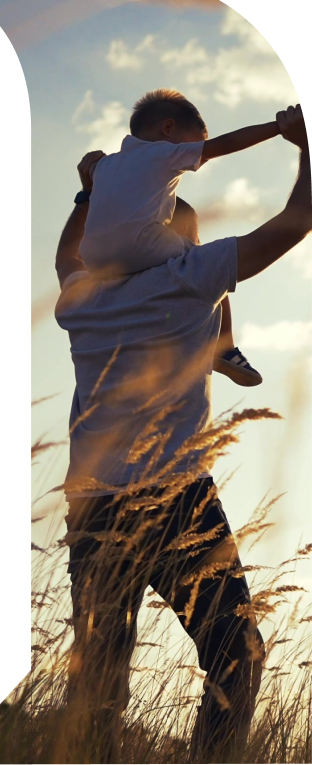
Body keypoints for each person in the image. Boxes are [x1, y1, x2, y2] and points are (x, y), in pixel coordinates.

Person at [54, 105, 310, 765]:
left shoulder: (79, 297)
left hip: (91, 507)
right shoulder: (189, 277)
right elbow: (296, 219)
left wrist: (88, 193)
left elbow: (66, 253)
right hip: (175, 500)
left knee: (97, 683)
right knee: (237, 656)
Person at [79, 89, 289, 387]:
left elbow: (96, 189)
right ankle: (224, 348)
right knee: (208, 260)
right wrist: (279, 127)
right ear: (168, 128)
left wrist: (86, 183)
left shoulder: (104, 166)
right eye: (195, 144)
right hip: (139, 244)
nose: (198, 158)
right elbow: (227, 143)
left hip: (92, 260)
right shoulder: (162, 153)